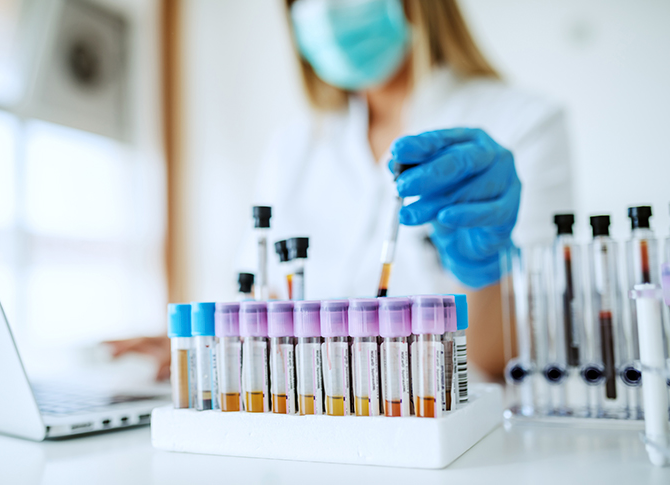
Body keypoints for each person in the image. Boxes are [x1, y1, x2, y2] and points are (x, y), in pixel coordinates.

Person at [108, 0, 573, 380]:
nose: (326, 11)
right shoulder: (294, 147)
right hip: (301, 417)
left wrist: (483, 273)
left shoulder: (522, 124)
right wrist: (203, 343)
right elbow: (256, 300)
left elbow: (509, 358)